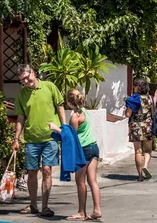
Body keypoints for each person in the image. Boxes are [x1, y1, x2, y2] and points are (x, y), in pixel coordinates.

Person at [13, 65, 65, 217]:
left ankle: (45, 206)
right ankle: (33, 205)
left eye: (27, 77)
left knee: (47, 170)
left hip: (50, 138)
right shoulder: (22, 95)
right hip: (31, 139)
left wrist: (64, 128)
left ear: (33, 73)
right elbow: (20, 118)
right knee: (32, 172)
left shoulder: (49, 87)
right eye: (22, 79)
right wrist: (16, 138)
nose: (26, 80)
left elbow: (60, 106)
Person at [48, 89, 102, 221]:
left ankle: (81, 211)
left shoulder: (74, 116)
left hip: (83, 150)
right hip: (94, 147)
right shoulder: (85, 112)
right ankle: (97, 210)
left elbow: (71, 136)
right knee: (93, 180)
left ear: (69, 102)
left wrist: (55, 128)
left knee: (80, 182)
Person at [125, 78, 154, 182]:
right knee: (148, 150)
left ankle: (140, 176)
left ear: (137, 87)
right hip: (148, 126)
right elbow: (153, 113)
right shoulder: (150, 98)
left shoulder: (133, 99)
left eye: (135, 85)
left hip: (135, 126)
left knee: (138, 151)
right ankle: (145, 165)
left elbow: (128, 114)